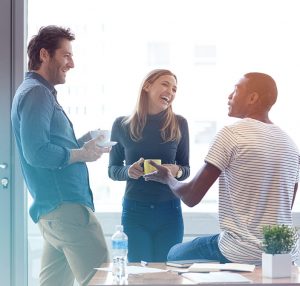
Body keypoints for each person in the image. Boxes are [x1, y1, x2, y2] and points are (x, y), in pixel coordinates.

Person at [144, 72, 300, 265]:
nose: (229, 96)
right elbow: (284, 206)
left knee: (173, 254)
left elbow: (191, 197)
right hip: (284, 256)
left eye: (236, 90)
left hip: (239, 251)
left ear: (252, 98)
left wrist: (167, 176)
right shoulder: (291, 145)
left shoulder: (232, 134)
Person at [11, 25, 109, 286]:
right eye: (66, 55)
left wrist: (83, 143)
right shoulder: (36, 93)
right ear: (44, 55)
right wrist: (81, 154)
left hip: (54, 212)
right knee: (102, 280)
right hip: (67, 209)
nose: (72, 63)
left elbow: (48, 147)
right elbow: (37, 153)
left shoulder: (34, 92)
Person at [108, 69, 190, 262]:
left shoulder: (179, 123)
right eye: (165, 84)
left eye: (174, 89)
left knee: (168, 275)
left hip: (170, 212)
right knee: (139, 276)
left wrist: (175, 170)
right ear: (147, 86)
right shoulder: (121, 124)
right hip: (135, 212)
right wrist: (129, 171)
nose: (170, 91)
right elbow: (112, 170)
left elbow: (185, 169)